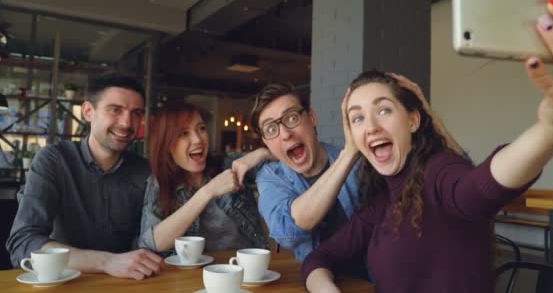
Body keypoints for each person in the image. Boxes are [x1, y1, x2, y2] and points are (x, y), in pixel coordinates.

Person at [302, 0, 553, 293]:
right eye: (357, 118)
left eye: (383, 110)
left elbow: (479, 186)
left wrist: (551, 131)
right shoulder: (382, 202)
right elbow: (319, 258)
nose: (370, 126)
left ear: (413, 120)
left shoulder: (439, 173)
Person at [251, 83, 465, 262]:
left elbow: (460, 181)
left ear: (312, 117)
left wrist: (427, 112)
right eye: (271, 129)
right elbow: (288, 232)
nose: (286, 134)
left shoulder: (363, 159)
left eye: (291, 118)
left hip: (377, 278)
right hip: (316, 277)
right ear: (266, 142)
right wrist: (349, 152)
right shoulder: (271, 177)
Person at [6, 73, 162, 280]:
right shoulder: (54, 160)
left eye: (136, 113)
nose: (127, 123)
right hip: (63, 284)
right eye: (115, 110)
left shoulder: (144, 171)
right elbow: (24, 242)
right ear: (88, 112)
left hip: (126, 284)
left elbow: (149, 241)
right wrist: (108, 262)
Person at [138, 102, 268, 254]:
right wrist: (207, 192)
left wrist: (263, 153)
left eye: (201, 129)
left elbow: (286, 161)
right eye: (184, 133)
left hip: (244, 271)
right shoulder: (160, 182)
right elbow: (151, 243)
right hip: (189, 276)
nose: (198, 139)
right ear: (166, 144)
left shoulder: (230, 166)